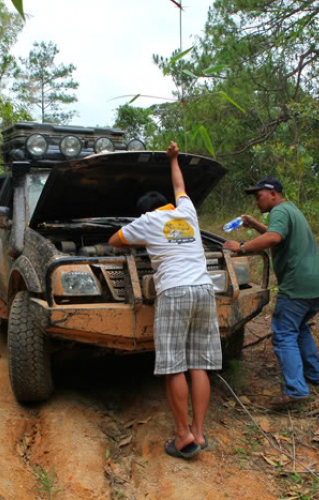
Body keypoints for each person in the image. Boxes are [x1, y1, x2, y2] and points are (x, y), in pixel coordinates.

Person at [108, 141, 220, 459]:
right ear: (168, 205)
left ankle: (182, 436)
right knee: (199, 365)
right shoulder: (187, 211)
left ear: (146, 210)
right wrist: (173, 158)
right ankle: (199, 432)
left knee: (174, 367)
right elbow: (180, 185)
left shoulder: (146, 221)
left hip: (173, 292)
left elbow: (114, 240)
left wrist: (139, 236)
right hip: (203, 290)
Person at [223, 178, 319, 409]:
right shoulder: (291, 209)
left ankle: (296, 390)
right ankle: (317, 375)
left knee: (283, 333)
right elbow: (278, 235)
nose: (256, 201)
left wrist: (241, 247)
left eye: (258, 195)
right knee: (298, 328)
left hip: (297, 286)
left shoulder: (278, 211)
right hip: (316, 285)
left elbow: (274, 237)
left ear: (273, 194)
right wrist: (254, 225)